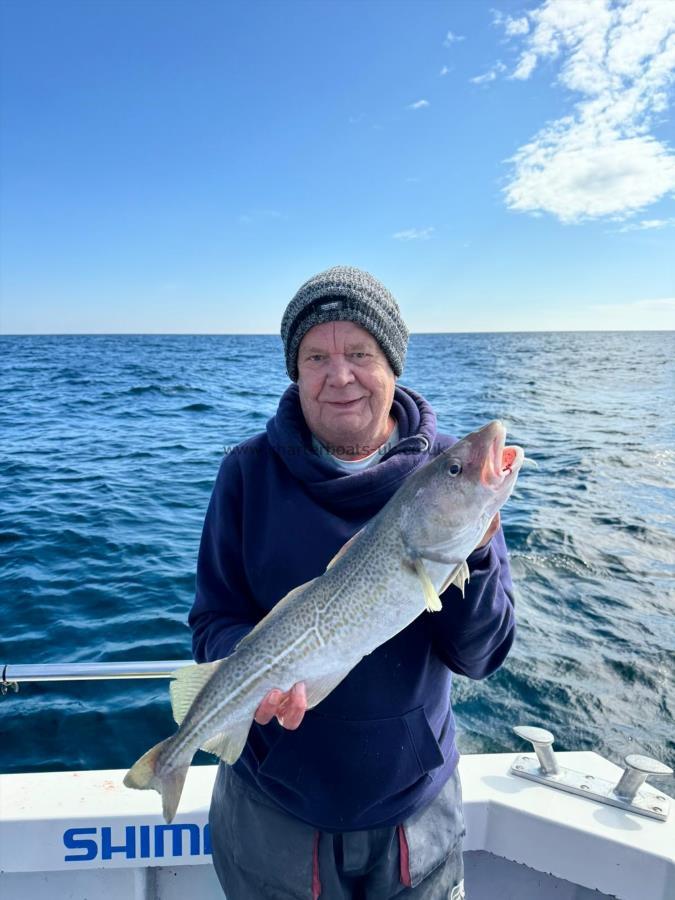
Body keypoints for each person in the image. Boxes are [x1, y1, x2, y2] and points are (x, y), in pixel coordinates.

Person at [189, 265, 515, 899]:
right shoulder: (246, 474)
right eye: (317, 356)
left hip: (414, 811)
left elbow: (480, 656)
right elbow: (212, 620)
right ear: (296, 370)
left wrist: (471, 560)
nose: (339, 376)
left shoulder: (447, 480)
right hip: (271, 811)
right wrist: (249, 675)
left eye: (360, 353)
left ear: (392, 362)